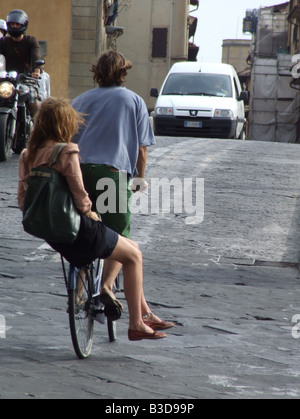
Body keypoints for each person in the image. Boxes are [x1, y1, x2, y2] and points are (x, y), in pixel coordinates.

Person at [17, 97, 173, 341]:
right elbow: (81, 198)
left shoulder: (28, 154)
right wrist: (93, 214)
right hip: (81, 231)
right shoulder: (66, 151)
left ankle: (145, 312)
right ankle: (135, 324)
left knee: (131, 247)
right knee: (134, 256)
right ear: (64, 124)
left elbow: (22, 200)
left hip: (52, 235)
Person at [71, 51, 159, 326]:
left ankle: (79, 292)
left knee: (85, 229)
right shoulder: (133, 100)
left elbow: (68, 142)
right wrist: (139, 180)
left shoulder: (80, 100)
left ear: (97, 72)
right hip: (111, 175)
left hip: (79, 174)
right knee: (118, 235)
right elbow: (141, 152)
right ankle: (107, 286)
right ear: (123, 74)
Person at [0, 9, 42, 115]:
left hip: (26, 79)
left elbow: (36, 56)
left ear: (23, 25)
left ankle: (34, 125)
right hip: (7, 80)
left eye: (17, 24)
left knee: (33, 101)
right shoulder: (3, 42)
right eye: (12, 24)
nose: (14, 26)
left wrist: (36, 70)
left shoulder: (30, 41)